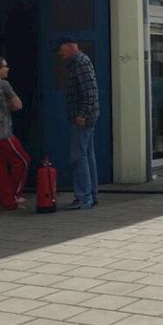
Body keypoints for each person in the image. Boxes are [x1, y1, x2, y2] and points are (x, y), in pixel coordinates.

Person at [56, 36, 99, 210]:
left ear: (70, 46)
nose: (60, 53)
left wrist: (82, 114)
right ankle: (91, 195)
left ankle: (84, 197)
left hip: (83, 118)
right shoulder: (79, 62)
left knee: (78, 157)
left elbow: (90, 92)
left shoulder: (80, 63)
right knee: (87, 155)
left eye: (61, 49)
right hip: (87, 115)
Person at [0, 56, 29, 210]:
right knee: (23, 161)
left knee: (0, 169)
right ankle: (15, 195)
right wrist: (9, 105)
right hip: (4, 132)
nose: (7, 69)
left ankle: (6, 201)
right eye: (5, 66)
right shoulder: (3, 84)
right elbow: (18, 104)